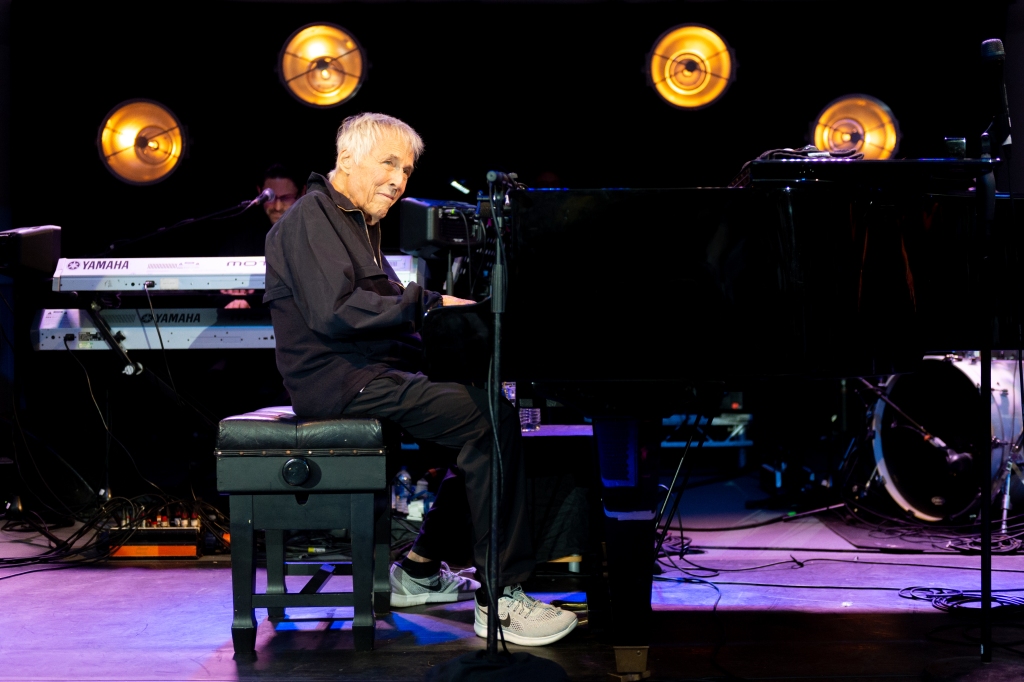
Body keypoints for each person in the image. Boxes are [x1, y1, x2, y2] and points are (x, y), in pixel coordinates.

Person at [262, 112, 577, 647]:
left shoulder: (353, 221)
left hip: (370, 374)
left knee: (480, 417)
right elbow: (339, 313)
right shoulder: (313, 217)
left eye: (406, 170)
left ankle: (421, 568)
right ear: (347, 160)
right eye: (389, 163)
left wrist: (443, 308)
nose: (399, 179)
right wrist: (423, 306)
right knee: (488, 420)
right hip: (341, 383)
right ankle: (499, 598)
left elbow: (387, 305)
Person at [220, 164, 305, 309]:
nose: (277, 207)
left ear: (302, 193)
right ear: (259, 193)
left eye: (286, 198)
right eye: (270, 198)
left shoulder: (310, 238)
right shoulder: (241, 241)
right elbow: (217, 289)